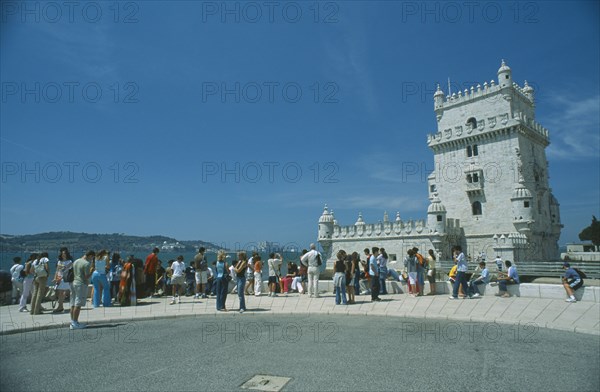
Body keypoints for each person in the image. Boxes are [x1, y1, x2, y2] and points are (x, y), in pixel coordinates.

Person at [70, 251, 95, 329]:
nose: (92, 259)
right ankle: (75, 323)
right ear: (90, 255)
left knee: (73, 303)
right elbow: (86, 276)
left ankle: (73, 322)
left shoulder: (76, 261)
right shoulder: (86, 264)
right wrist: (92, 271)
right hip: (81, 284)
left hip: (74, 283)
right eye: (92, 257)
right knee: (78, 304)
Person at [53, 248, 73, 313]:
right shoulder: (59, 261)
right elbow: (57, 270)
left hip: (65, 278)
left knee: (64, 292)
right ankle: (60, 306)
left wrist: (62, 268)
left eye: (64, 254)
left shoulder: (70, 261)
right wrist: (55, 277)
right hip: (59, 278)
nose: (63, 255)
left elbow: (65, 269)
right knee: (60, 292)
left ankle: (61, 306)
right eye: (62, 254)